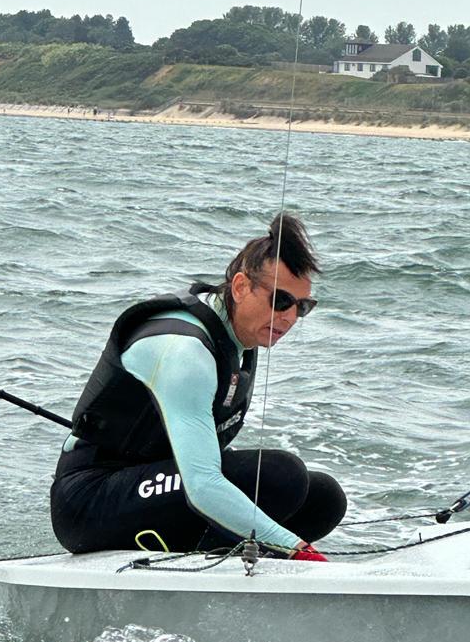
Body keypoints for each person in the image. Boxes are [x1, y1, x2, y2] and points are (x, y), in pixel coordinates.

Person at [50, 213, 346, 561]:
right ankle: (207, 575)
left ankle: (232, 567)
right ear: (240, 287)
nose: (290, 317)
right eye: (281, 301)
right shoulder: (185, 352)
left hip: (152, 485)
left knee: (324, 497)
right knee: (281, 476)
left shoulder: (239, 333)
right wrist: (298, 551)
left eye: (303, 306)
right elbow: (203, 486)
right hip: (89, 501)